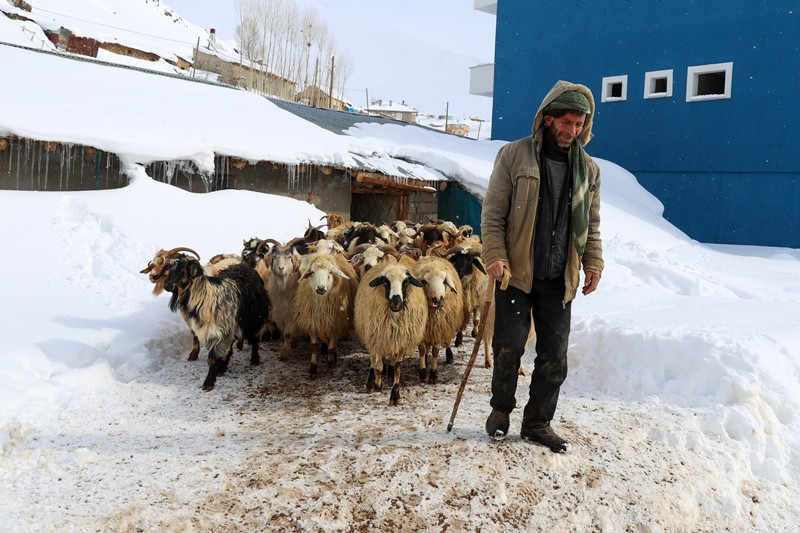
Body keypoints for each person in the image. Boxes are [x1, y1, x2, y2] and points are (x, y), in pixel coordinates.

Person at [480, 80, 604, 453]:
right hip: (516, 275)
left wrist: (593, 262)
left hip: (559, 279)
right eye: (566, 122)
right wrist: (494, 255)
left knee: (554, 358)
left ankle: (537, 423)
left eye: (579, 124)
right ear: (548, 119)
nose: (572, 131)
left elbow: (591, 224)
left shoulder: (589, 170)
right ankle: (501, 411)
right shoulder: (514, 155)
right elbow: (493, 212)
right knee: (508, 349)